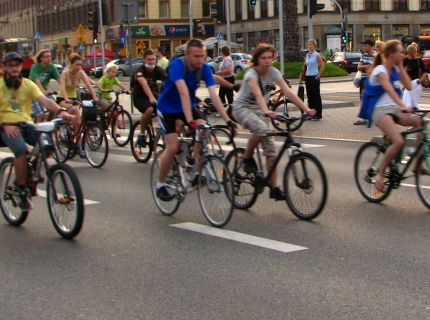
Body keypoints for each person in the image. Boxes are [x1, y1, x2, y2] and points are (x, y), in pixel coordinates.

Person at [233, 44, 315, 200]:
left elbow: (288, 92)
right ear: (257, 59)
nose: (267, 61)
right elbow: (257, 94)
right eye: (263, 58)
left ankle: (275, 188)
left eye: (270, 57)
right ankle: (246, 158)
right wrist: (267, 111)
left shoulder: (273, 72)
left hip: (260, 109)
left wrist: (306, 109)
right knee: (261, 128)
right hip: (242, 108)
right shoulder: (251, 74)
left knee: (270, 151)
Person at [153, 39, 231, 202]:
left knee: (205, 132)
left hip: (187, 105)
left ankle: (193, 166)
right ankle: (160, 185)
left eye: (202, 56)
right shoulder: (177, 65)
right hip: (167, 108)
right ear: (187, 55)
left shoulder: (204, 68)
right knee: (173, 147)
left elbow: (214, 95)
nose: (199, 59)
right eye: (196, 56)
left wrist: (228, 120)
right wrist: (189, 119)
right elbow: (182, 92)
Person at [0, 53, 64, 209]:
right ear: (5, 67)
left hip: (27, 124)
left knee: (48, 145)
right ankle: (21, 188)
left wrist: (62, 112)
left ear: (21, 67)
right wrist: (3, 126)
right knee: (21, 151)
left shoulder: (28, 84)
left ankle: (32, 170)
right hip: (7, 126)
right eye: (10, 65)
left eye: (17, 65)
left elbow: (46, 101)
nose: (14, 68)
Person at [355, 39, 421, 193]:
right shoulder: (380, 71)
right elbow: (390, 90)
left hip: (393, 108)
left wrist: (400, 67)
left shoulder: (395, 69)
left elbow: (409, 86)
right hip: (378, 109)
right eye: (400, 52)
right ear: (391, 54)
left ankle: (418, 162)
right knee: (398, 141)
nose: (403, 54)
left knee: (420, 122)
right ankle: (381, 175)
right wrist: (404, 106)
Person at [57, 54, 97, 152]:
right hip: (62, 98)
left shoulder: (80, 72)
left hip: (74, 98)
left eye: (80, 65)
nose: (79, 67)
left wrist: (95, 97)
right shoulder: (65, 73)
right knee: (73, 109)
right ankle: (63, 128)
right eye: (76, 65)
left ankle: (79, 146)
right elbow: (62, 87)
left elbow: (88, 85)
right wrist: (66, 99)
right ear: (71, 64)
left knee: (78, 123)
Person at [131, 49, 166, 148]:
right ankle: (142, 134)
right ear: (144, 60)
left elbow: (168, 78)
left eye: (153, 59)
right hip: (140, 97)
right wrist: (150, 97)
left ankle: (165, 137)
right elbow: (143, 83)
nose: (151, 62)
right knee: (149, 109)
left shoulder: (157, 69)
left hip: (154, 95)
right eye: (149, 60)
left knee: (166, 111)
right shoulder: (139, 69)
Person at [28, 48, 62, 121]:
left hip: (45, 92)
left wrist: (65, 90)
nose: (49, 58)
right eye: (46, 56)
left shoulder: (52, 67)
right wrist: (43, 91)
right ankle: (37, 131)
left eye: (50, 56)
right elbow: (36, 81)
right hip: (33, 93)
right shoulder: (35, 67)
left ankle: (49, 125)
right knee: (41, 115)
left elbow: (60, 80)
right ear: (41, 58)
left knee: (55, 108)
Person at [353, 39, 376, 125]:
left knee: (370, 98)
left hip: (372, 80)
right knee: (362, 98)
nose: (363, 47)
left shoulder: (376, 56)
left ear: (370, 46)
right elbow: (359, 67)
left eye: (365, 45)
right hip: (364, 79)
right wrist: (367, 66)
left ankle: (370, 117)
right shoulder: (364, 56)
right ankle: (364, 118)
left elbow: (375, 67)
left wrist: (365, 66)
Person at [301, 39, 325, 121]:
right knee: (309, 95)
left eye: (311, 44)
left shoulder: (317, 55)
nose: (309, 46)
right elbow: (305, 66)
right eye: (308, 44)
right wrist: (302, 76)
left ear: (314, 46)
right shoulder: (307, 55)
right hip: (308, 76)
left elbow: (322, 66)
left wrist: (318, 75)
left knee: (316, 95)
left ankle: (318, 113)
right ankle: (310, 112)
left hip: (314, 76)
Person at [402, 42, 428, 111]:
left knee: (414, 100)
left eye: (412, 54)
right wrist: (405, 70)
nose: (411, 55)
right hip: (408, 82)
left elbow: (424, 72)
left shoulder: (419, 60)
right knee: (406, 98)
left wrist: (420, 81)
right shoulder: (406, 60)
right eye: (409, 54)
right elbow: (402, 72)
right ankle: (409, 110)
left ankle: (414, 110)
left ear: (416, 52)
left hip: (416, 82)